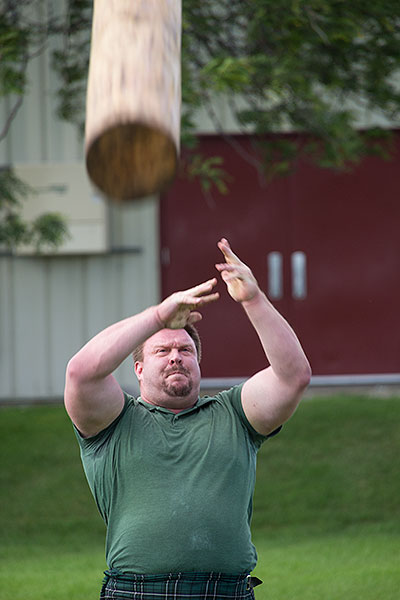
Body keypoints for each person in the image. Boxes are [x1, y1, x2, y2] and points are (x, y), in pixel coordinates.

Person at [64, 237, 311, 600]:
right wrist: (158, 317)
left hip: (226, 591)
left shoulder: (235, 414)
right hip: (137, 592)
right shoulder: (113, 422)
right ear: (138, 368)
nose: (176, 357)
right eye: (162, 350)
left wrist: (253, 300)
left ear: (199, 362)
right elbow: (81, 373)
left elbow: (293, 377)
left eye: (185, 350)